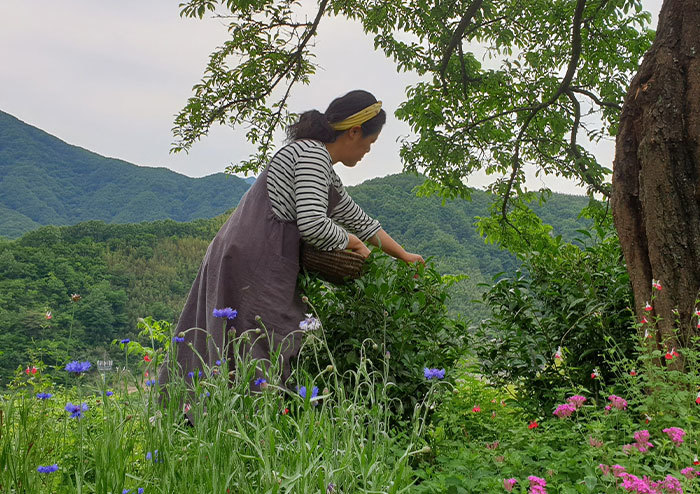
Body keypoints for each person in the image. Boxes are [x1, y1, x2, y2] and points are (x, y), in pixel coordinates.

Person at [159, 89, 423, 391]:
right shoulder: (312, 156)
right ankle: (243, 427)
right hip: (255, 259)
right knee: (257, 347)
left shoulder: (314, 159)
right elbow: (312, 224)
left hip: (243, 253)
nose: (368, 152)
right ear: (354, 132)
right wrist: (352, 242)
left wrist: (403, 255)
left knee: (230, 346)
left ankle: (208, 421)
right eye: (370, 143)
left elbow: (357, 218)